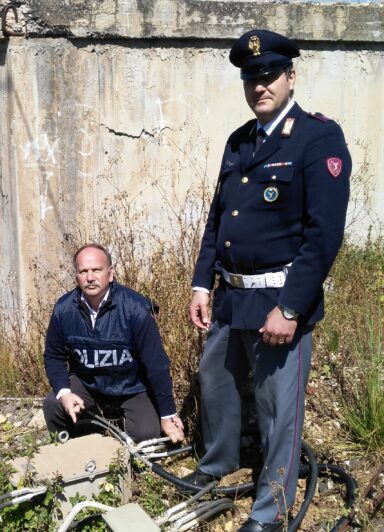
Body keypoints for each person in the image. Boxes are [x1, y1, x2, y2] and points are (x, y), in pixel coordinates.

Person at [185, 29, 351, 532]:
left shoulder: (318, 138)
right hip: (230, 298)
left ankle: (271, 510)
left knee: (279, 414)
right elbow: (219, 218)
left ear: (290, 77)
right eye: (250, 78)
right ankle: (218, 465)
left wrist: (292, 308)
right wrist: (200, 283)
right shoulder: (240, 141)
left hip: (279, 301)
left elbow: (323, 236)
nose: (259, 86)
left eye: (269, 76)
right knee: (217, 388)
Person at [42, 243, 186, 445]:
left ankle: (122, 448)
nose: (90, 277)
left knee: (147, 435)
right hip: (88, 385)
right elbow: (53, 356)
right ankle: (71, 452)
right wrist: (65, 393)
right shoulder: (64, 309)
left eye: (97, 270)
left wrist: (168, 413)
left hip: (131, 387)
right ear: (76, 277)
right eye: (83, 271)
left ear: (110, 274)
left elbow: (157, 364)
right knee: (53, 405)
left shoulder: (135, 308)